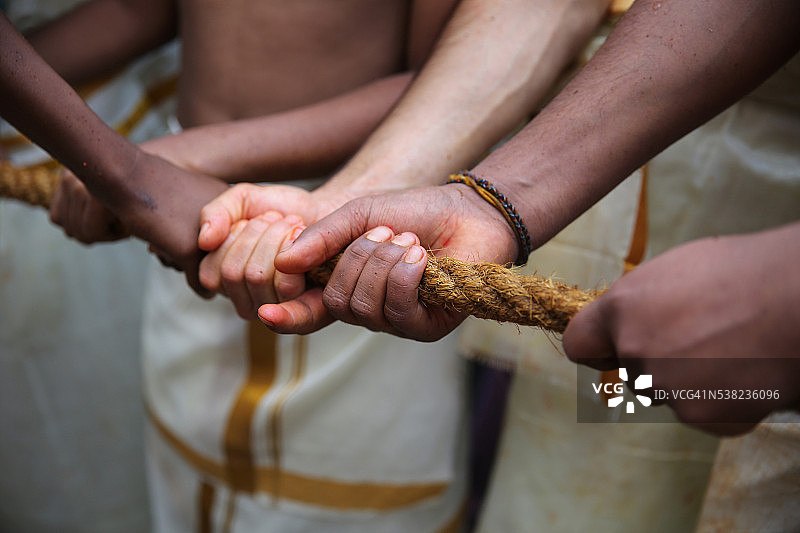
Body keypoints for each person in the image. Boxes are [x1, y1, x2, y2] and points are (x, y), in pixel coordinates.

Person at [7, 0, 615, 530]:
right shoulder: (160, 185)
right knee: (187, 471)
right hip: (196, 212)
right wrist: (118, 161)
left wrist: (149, 165)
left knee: (347, 493)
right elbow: (143, 10)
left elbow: (452, 73)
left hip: (367, 237)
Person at [198, 0, 800, 530]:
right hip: (591, 201)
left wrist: (784, 293)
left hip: (756, 234)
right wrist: (473, 203)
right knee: (594, 478)